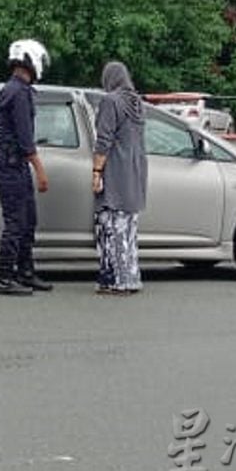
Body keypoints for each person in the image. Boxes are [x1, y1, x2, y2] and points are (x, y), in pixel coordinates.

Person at [0, 39, 51, 296]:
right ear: (31, 60)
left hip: (11, 163)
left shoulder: (14, 89)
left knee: (28, 220)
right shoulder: (19, 93)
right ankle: (3, 277)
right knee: (16, 221)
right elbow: (25, 139)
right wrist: (40, 171)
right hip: (11, 164)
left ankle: (25, 271)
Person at [92, 61, 147, 296]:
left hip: (115, 171)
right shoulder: (137, 103)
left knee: (111, 227)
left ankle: (116, 280)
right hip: (135, 171)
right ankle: (130, 277)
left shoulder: (110, 101)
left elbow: (103, 140)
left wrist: (96, 171)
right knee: (128, 231)